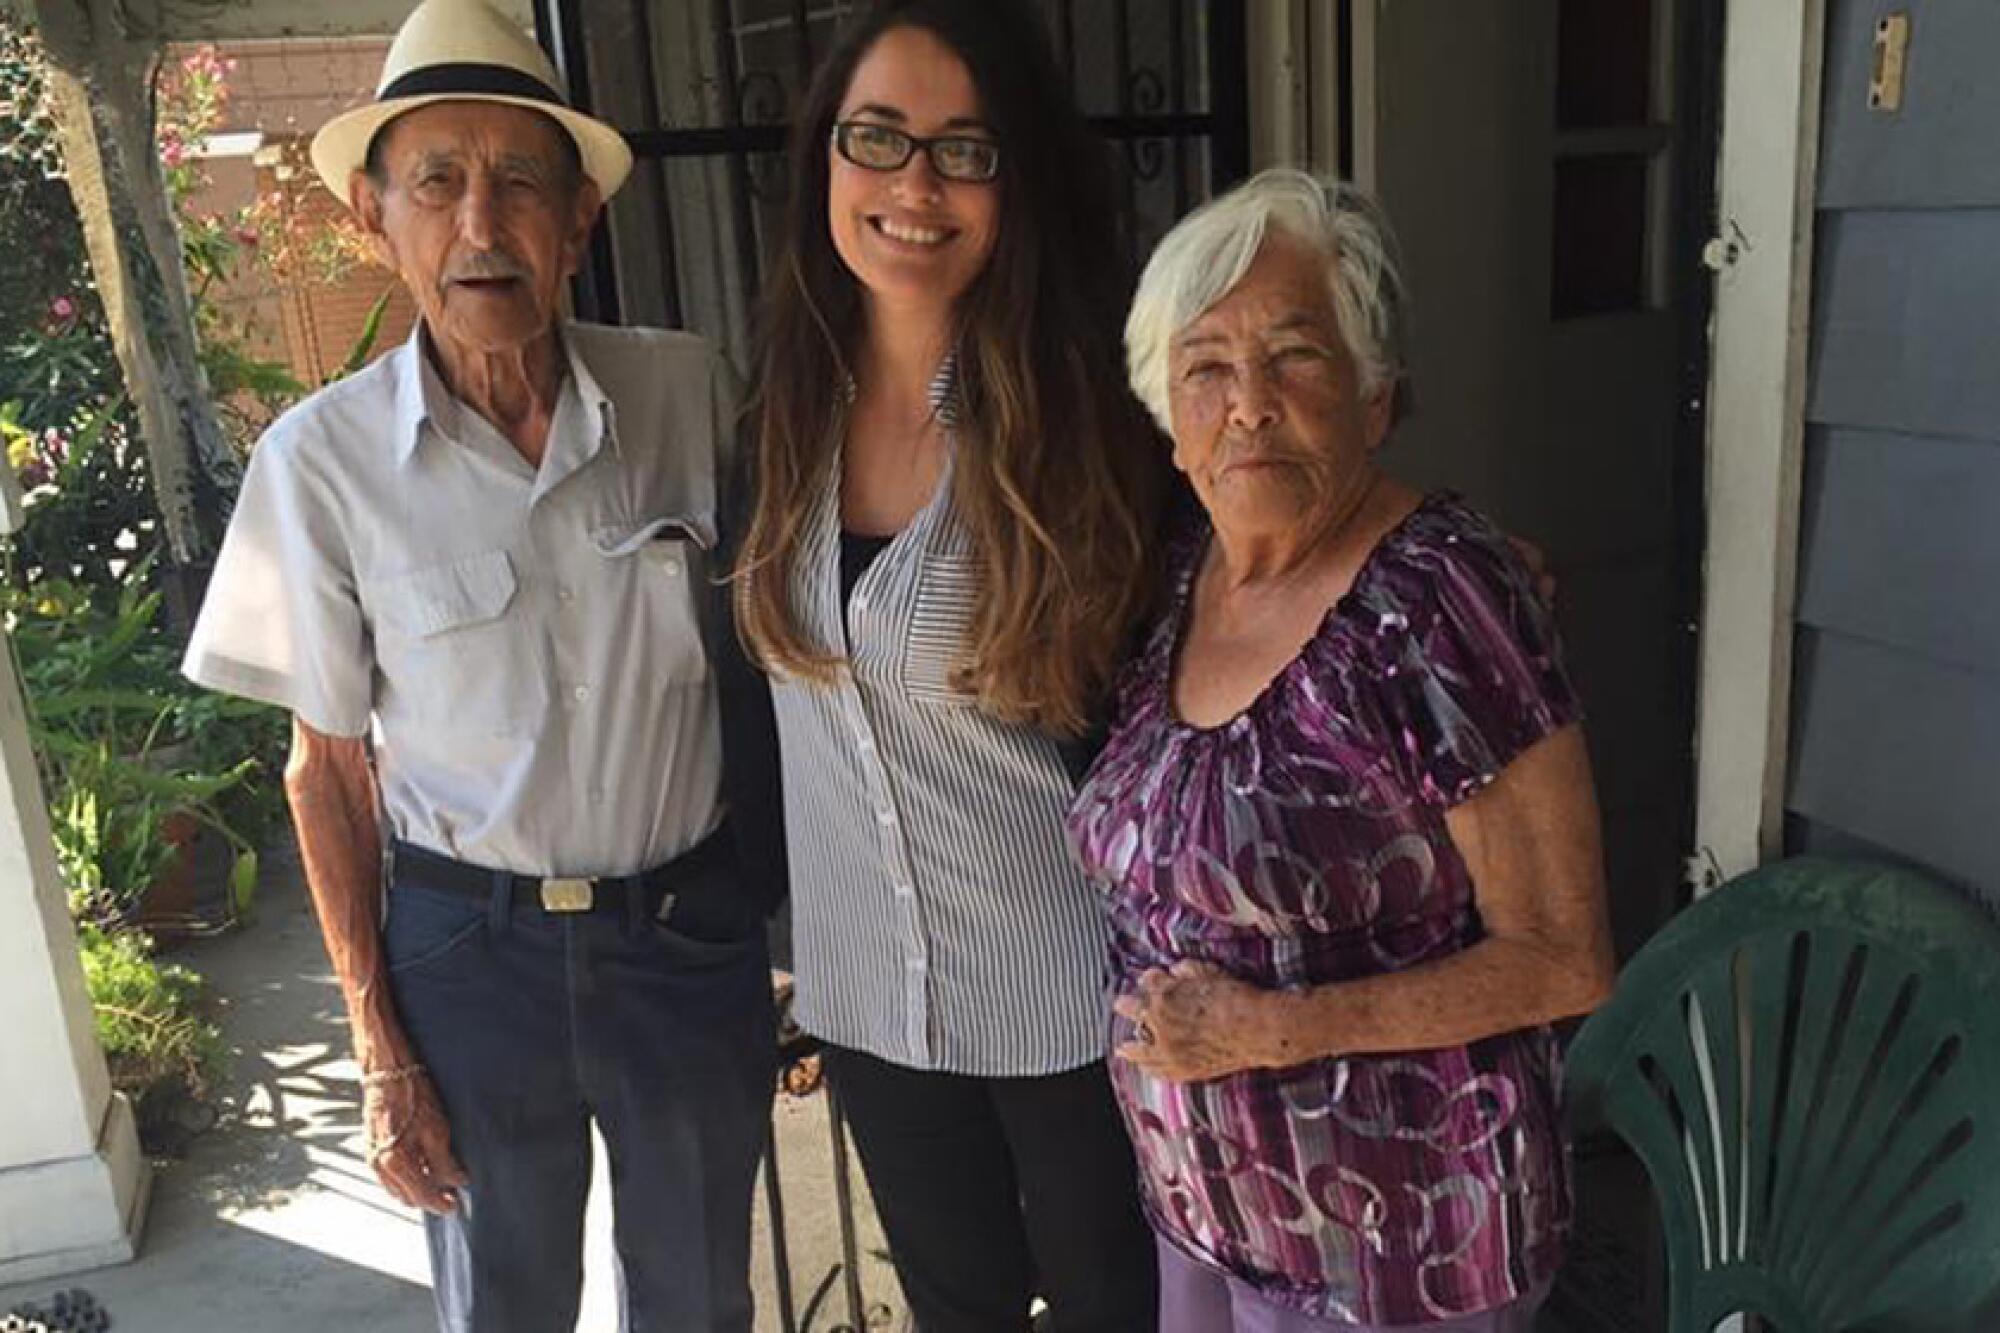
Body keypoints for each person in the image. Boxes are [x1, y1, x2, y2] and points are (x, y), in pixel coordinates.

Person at [182, 2, 777, 1329]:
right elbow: (326, 772)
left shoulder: (689, 395)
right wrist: (377, 1043)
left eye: (520, 183)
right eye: (438, 183)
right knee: (501, 1304)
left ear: (579, 224)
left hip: (683, 933)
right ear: (370, 220)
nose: (480, 225)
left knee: (698, 1297)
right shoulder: (319, 465)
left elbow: (787, 648)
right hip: (469, 952)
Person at [1066, 169, 1618, 1332]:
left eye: (1295, 354)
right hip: (1206, 1216)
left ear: (1373, 396)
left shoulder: (1437, 596)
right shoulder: (1186, 573)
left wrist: (1267, 1032)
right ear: (1168, 419)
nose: (1248, 403)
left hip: (1397, 1253)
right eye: (1206, 366)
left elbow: (1562, 956)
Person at [724, 1, 1164, 1328]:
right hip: (869, 998)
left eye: (964, 150)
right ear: (826, 164)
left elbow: (1220, 642)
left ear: (1015, 180)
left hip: (1077, 1004)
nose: (916, 185)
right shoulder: (774, 413)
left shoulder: (1095, 421)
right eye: (880, 139)